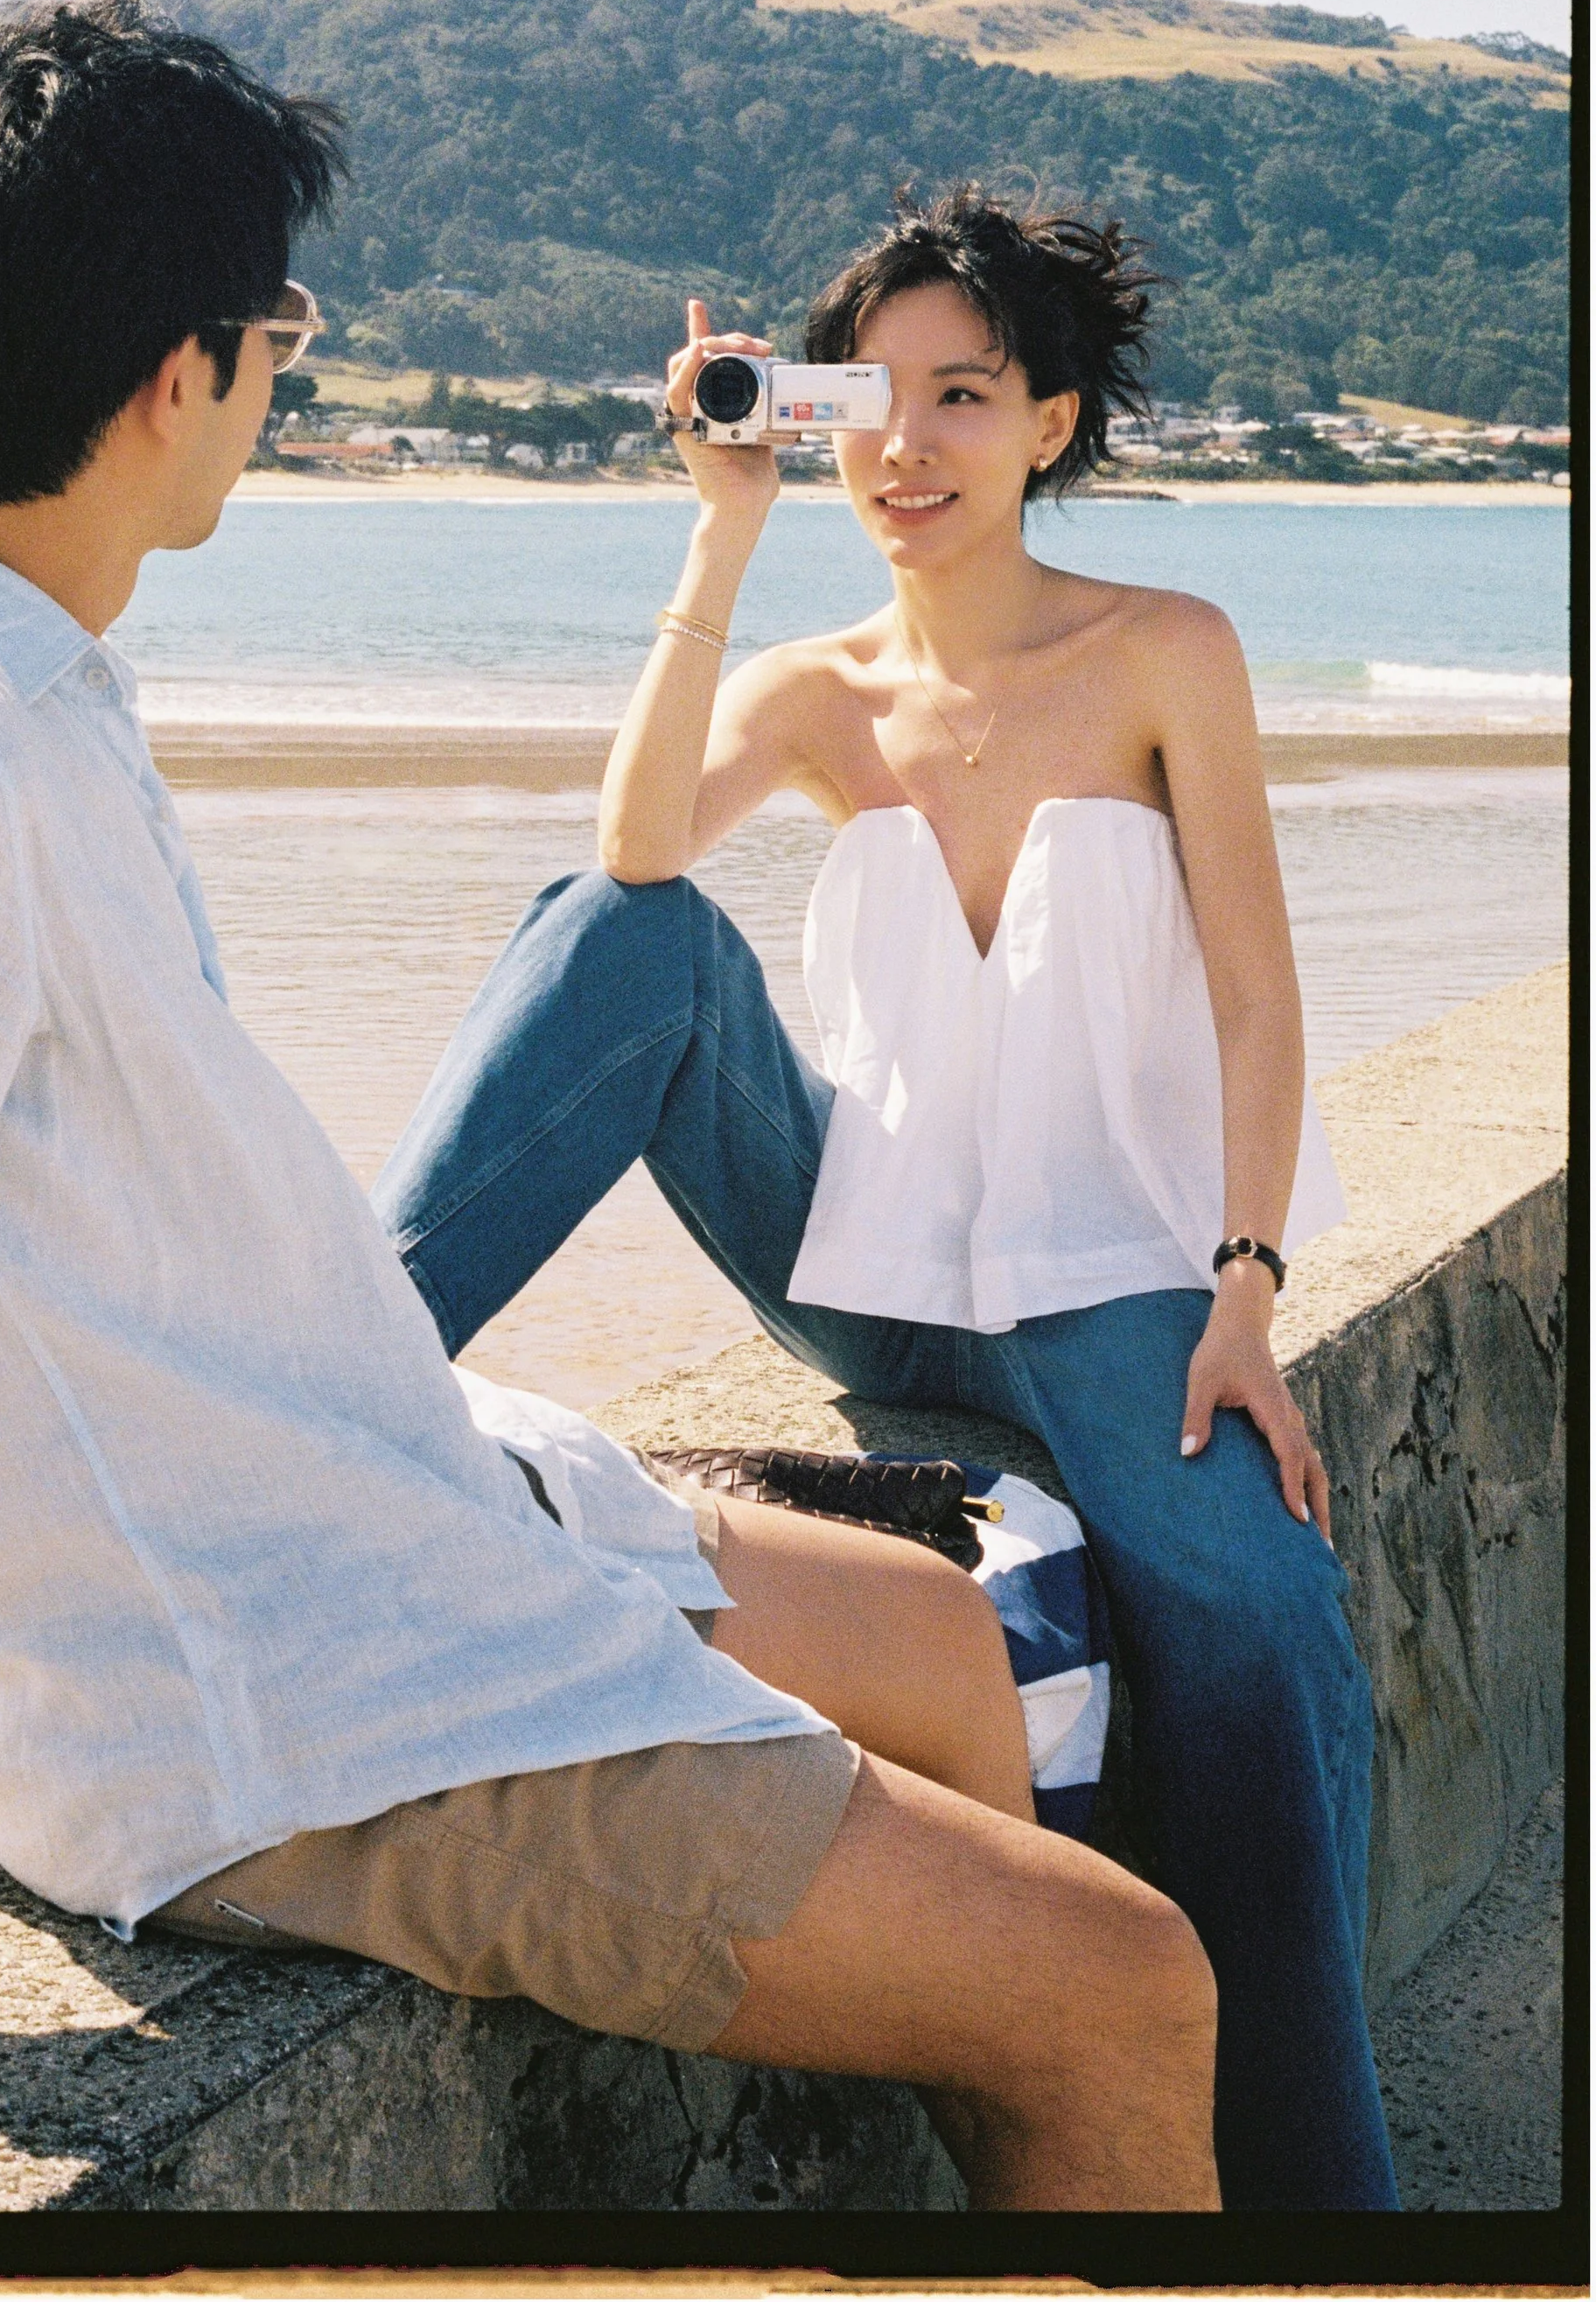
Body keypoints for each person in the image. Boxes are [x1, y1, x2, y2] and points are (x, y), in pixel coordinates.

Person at [0, 0, 1220, 2215]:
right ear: (183, 375)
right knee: (1122, 1985)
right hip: (268, 1687)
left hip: (363, 1496)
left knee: (940, 1642)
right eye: (277, 327)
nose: (281, 376)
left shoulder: (3, 669)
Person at [373, 188, 1398, 2214]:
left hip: (1111, 1282)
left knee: (1258, 1620)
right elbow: (638, 840)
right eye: (872, 399)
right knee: (620, 930)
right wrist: (720, 524)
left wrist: (1243, 1284)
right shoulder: (816, 685)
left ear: (1051, 422)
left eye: (964, 397)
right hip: (873, 1259)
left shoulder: (1159, 653)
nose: (907, 448)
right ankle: (329, 1371)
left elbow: (1262, 995)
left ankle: (1312, 2201)